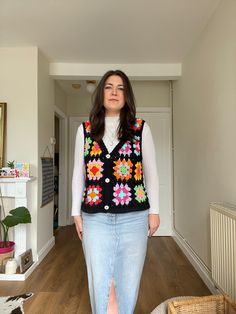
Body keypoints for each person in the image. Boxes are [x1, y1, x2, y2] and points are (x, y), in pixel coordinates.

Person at [72, 70, 160, 314]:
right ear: (101, 93)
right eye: (109, 87)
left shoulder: (141, 129)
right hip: (95, 218)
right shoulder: (85, 130)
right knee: (100, 280)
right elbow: (79, 174)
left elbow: (151, 174)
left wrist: (155, 212)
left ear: (126, 95)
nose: (113, 92)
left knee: (128, 280)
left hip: (134, 218)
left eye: (120, 88)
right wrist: (75, 213)